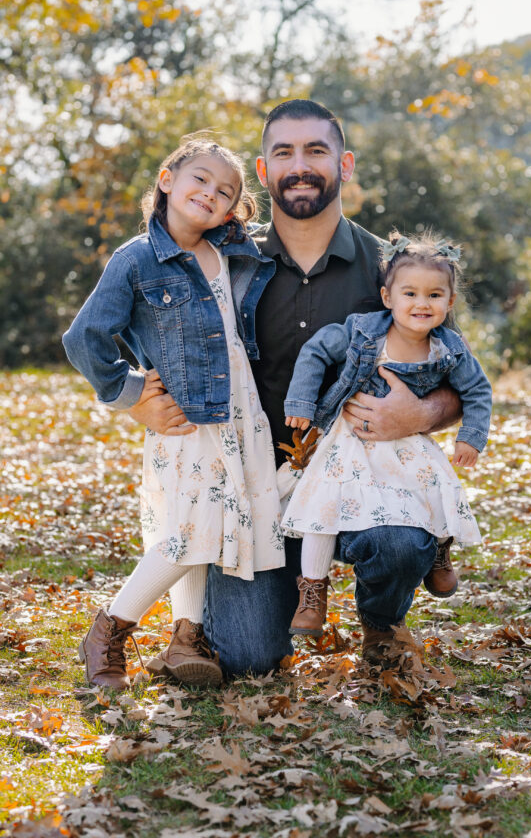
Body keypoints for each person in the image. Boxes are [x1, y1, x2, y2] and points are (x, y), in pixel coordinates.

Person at [127, 100, 465, 673]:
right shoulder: (223, 261)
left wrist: (421, 415)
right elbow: (145, 332)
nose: (300, 165)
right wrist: (138, 399)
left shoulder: (393, 270)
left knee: (404, 543)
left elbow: (456, 378)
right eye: (283, 152)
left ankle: (382, 623)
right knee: (249, 659)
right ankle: (217, 614)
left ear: (345, 164)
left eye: (316, 150)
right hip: (255, 489)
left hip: (360, 477)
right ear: (263, 172)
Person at [62, 137, 285, 690]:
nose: (210, 194)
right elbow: (85, 337)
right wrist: (132, 393)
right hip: (187, 419)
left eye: (225, 192)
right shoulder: (136, 258)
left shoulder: (230, 252)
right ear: (167, 179)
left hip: (241, 416)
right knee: (188, 532)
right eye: (200, 180)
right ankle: (110, 630)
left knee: (213, 524)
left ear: (234, 209)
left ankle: (186, 636)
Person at [282, 231, 491, 636]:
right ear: (387, 297)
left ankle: (436, 553)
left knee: (431, 486)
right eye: (410, 293)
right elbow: (316, 350)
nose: (421, 303)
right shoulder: (362, 331)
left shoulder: (450, 348)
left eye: (434, 295)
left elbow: (477, 389)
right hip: (350, 442)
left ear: (449, 303)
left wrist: (471, 435)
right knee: (320, 508)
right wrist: (301, 403)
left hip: (407, 444)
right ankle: (312, 590)